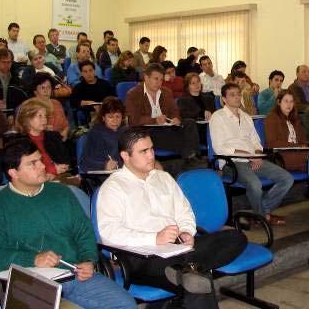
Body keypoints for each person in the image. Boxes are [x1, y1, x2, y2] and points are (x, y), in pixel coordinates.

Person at [97, 127, 247, 309]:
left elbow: (184, 211)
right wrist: (154, 238)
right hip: (142, 257)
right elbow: (109, 233)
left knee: (235, 238)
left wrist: (186, 231)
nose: (151, 155)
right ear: (125, 156)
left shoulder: (163, 178)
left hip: (177, 248)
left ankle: (185, 271)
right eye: (143, 151)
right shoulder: (113, 187)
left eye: (152, 149)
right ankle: (188, 272)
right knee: (197, 283)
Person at [0, 138, 137, 309]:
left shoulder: (62, 193)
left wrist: (88, 259)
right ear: (13, 173)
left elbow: (84, 232)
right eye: (32, 163)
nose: (42, 166)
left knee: (125, 304)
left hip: (73, 273)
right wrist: (33, 259)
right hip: (30, 280)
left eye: (40, 160)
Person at [209, 83, 294, 226]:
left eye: (238, 94)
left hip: (253, 159)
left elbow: (256, 141)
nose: (237, 97)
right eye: (232, 95)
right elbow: (219, 148)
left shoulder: (246, 117)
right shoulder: (218, 117)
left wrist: (258, 155)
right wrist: (249, 156)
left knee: (287, 178)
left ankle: (259, 213)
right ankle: (263, 217)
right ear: (223, 99)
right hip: (232, 163)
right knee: (255, 184)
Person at [125, 63, 201, 165]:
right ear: (146, 78)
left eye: (161, 80)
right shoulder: (133, 94)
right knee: (164, 133)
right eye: (156, 79)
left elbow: (175, 111)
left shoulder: (166, 92)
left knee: (190, 123)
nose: (159, 83)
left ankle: (193, 155)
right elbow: (133, 120)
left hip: (166, 127)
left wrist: (175, 118)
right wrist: (154, 120)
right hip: (147, 131)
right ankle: (190, 157)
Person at [15, 98, 73, 183]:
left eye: (45, 116)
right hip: (34, 181)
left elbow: (65, 161)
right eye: (40, 116)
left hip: (59, 178)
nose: (44, 120)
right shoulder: (19, 142)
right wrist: (50, 171)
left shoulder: (53, 136)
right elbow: (23, 169)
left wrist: (61, 168)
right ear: (27, 118)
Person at [265, 90, 309, 171]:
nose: (289, 104)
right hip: (280, 156)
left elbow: (302, 140)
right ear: (279, 102)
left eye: (291, 101)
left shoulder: (295, 119)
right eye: (286, 101)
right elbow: (271, 142)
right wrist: (296, 146)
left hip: (297, 153)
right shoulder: (272, 118)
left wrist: (303, 146)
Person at [81, 97, 128, 172]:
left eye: (118, 116)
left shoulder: (126, 131)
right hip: (104, 175)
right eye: (110, 117)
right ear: (103, 117)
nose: (115, 121)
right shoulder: (96, 133)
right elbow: (84, 163)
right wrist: (104, 165)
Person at [177, 73, 215, 145]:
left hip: (211, 127)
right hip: (196, 130)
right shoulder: (183, 100)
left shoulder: (209, 98)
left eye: (198, 81)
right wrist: (201, 113)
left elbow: (215, 113)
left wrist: (212, 115)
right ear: (187, 87)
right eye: (193, 83)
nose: (197, 84)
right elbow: (183, 115)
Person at [32, 73, 70, 141]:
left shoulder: (57, 103)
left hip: (61, 141)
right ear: (35, 91)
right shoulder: (31, 107)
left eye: (49, 87)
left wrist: (64, 134)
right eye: (42, 88)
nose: (46, 91)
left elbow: (66, 124)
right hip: (42, 142)